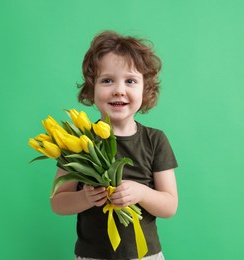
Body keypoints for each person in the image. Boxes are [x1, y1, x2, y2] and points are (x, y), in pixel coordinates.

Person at [50, 30, 178, 260]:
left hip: (145, 255)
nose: (119, 89)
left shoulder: (155, 140)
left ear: (145, 89)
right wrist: (85, 199)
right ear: (92, 88)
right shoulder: (79, 141)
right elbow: (58, 203)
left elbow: (169, 205)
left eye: (130, 81)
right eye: (107, 80)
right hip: (92, 256)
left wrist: (141, 192)